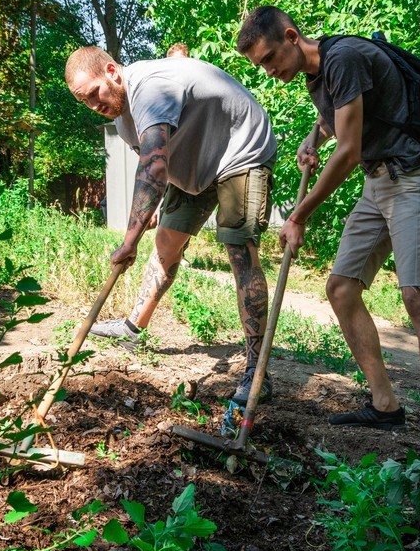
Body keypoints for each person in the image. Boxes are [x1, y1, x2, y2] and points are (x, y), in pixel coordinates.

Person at [237, 6, 420, 464]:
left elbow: (351, 148)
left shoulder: (344, 58)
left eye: (271, 58)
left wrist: (298, 215)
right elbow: (340, 119)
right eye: (261, 65)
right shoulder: (317, 76)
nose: (270, 70)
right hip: (379, 183)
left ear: (293, 37)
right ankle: (384, 405)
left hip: (412, 175)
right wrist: (314, 139)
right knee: (340, 288)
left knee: (417, 297)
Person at [65, 46, 277, 414]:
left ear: (112, 71)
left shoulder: (148, 87)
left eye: (94, 93)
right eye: (84, 102)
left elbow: (154, 169)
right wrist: (149, 213)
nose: (93, 105)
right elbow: (157, 166)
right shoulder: (121, 117)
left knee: (239, 250)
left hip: (240, 150)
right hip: (196, 167)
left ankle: (257, 370)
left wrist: (128, 240)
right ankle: (133, 330)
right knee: (166, 243)